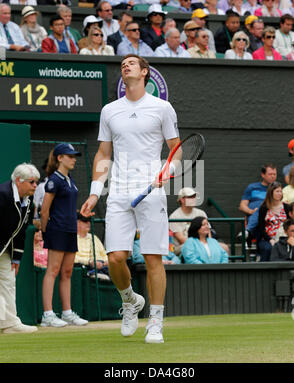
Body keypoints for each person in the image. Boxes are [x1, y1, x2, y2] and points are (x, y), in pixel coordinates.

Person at [80, 54, 180, 344]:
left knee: (153, 258)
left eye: (132, 63)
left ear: (145, 72)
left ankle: (156, 323)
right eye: (123, 64)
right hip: (119, 192)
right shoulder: (110, 110)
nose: (126, 66)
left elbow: (176, 149)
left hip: (152, 190)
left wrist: (169, 170)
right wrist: (95, 191)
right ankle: (130, 301)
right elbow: (103, 153)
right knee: (115, 258)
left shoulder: (162, 108)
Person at [40, 143, 88, 327]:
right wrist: (46, 233)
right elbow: (44, 211)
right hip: (56, 230)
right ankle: (47, 315)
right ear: (60, 158)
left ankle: (67, 312)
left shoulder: (70, 180)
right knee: (52, 271)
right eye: (70, 156)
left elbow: (65, 207)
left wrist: (80, 215)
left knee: (67, 272)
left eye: (74, 156)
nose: (74, 159)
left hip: (70, 230)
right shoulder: (54, 180)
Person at [0, 163, 40, 334]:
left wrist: (16, 257)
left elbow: (22, 230)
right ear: (18, 181)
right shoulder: (2, 195)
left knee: (8, 281)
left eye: (36, 182)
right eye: (32, 182)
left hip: (4, 247)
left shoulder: (28, 201)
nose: (35, 186)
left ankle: (9, 324)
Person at [239, 163, 277, 238]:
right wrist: (251, 211)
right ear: (263, 175)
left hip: (271, 215)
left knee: (262, 206)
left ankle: (247, 231)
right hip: (254, 214)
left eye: (274, 174)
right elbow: (242, 206)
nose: (273, 176)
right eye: (270, 174)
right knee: (259, 208)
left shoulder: (277, 189)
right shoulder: (252, 187)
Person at [169, 187, 209, 255]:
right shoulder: (174, 216)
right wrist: (202, 245)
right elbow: (182, 240)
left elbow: (208, 234)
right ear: (182, 200)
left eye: (194, 197)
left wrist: (209, 245)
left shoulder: (201, 213)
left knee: (224, 247)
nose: (194, 199)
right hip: (181, 248)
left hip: (202, 244)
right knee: (191, 248)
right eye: (190, 197)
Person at [257, 181, 289, 262]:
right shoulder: (264, 208)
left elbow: (289, 225)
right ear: (271, 193)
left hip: (283, 238)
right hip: (267, 239)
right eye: (277, 191)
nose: (279, 193)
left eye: (281, 191)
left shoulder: (286, 207)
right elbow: (261, 228)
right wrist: (270, 239)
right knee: (269, 248)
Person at [75, 212, 110, 280]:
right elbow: (73, 258)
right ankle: (95, 274)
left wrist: (107, 261)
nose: (88, 223)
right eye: (85, 221)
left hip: (102, 265)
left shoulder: (94, 238)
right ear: (77, 223)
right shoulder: (72, 239)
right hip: (84, 266)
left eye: (89, 221)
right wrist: (89, 262)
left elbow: (104, 254)